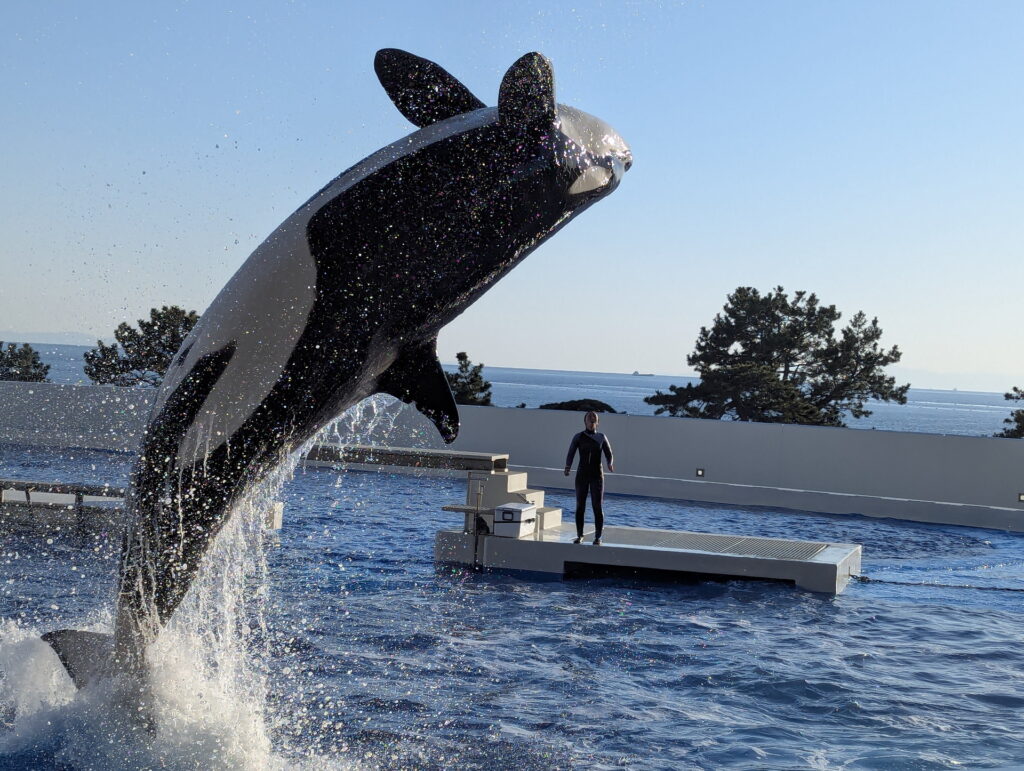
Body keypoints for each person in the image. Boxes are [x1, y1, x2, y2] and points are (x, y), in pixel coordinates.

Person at [564, 410, 614, 545]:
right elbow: (571, 453)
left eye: (594, 420)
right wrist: (568, 466)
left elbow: (609, 454)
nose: (591, 422)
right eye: (589, 419)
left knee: (597, 506)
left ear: (597, 423)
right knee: (580, 506)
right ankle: (580, 535)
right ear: (585, 422)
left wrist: (610, 463)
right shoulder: (578, 437)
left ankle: (598, 537)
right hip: (582, 475)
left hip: (597, 476)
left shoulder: (602, 437)